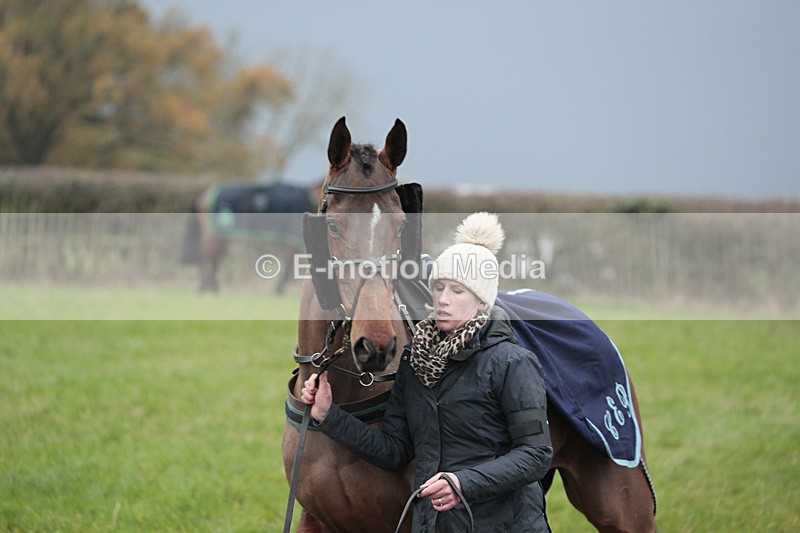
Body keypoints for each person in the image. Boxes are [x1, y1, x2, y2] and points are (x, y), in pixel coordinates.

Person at [301, 212, 553, 532]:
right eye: (438, 287)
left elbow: (536, 455)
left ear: (482, 301)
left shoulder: (513, 363)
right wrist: (329, 416)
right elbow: (395, 451)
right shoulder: (415, 361)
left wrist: (462, 483)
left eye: (457, 291)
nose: (443, 300)